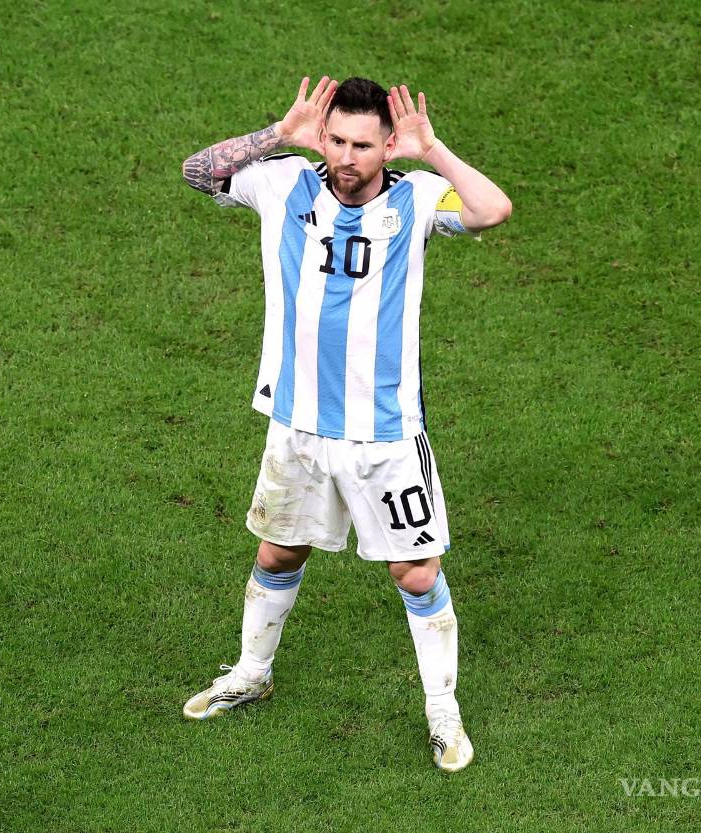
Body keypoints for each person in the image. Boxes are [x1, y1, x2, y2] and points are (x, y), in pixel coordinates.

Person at [179, 75, 511, 772]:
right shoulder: (283, 183)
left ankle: (441, 710)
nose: (347, 157)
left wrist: (435, 150)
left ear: (388, 143)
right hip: (296, 426)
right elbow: (197, 171)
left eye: (363, 144)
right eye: (336, 140)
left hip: (384, 433)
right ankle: (252, 671)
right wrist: (280, 133)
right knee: (278, 552)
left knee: (416, 573)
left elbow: (492, 210)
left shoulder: (416, 199)